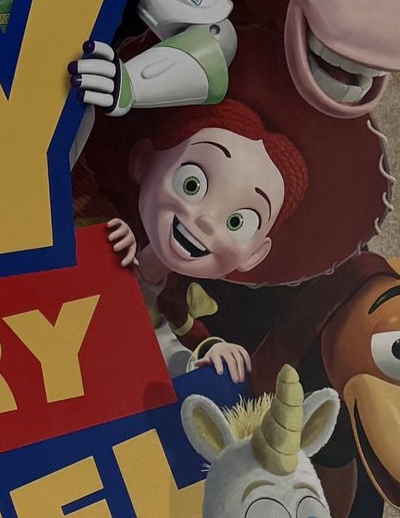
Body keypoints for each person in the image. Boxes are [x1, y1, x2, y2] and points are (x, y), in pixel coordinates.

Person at [82, 100, 308, 383]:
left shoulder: (175, 306)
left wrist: (209, 356)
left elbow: (160, 346)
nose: (207, 220)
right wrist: (97, 246)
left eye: (236, 222)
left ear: (254, 255)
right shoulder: (90, 213)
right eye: (192, 184)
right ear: (143, 161)